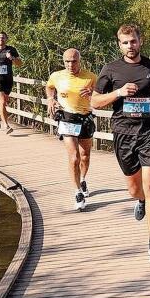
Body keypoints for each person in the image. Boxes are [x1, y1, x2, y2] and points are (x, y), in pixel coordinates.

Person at [91, 24, 150, 263]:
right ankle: (141, 200)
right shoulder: (111, 69)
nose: (130, 46)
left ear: (140, 41)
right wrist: (119, 93)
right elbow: (95, 101)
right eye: (125, 43)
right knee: (135, 189)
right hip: (124, 132)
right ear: (119, 44)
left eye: (133, 41)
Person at [46, 48, 97, 211]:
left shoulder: (90, 77)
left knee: (85, 156)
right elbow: (50, 87)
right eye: (67, 61)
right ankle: (77, 192)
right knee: (74, 157)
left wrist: (92, 93)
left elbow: (101, 96)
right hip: (67, 118)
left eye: (74, 61)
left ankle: (82, 180)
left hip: (85, 118)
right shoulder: (57, 76)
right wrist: (50, 99)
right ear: (63, 61)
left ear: (79, 61)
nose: (70, 64)